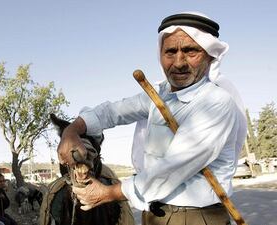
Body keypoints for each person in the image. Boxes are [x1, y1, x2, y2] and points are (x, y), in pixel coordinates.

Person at [57, 12, 247, 225]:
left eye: (190, 51)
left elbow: (171, 168)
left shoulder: (215, 102)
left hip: (193, 217)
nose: (179, 62)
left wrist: (108, 193)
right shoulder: (159, 94)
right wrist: (71, 131)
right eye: (170, 52)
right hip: (154, 214)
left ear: (210, 55)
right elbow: (112, 112)